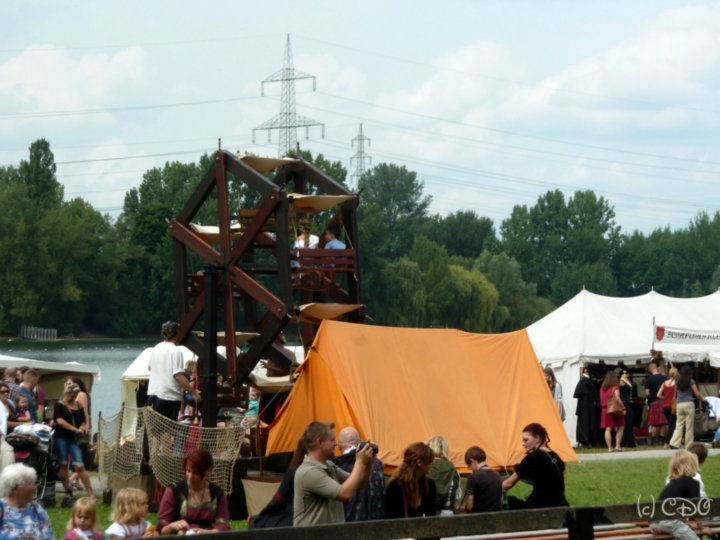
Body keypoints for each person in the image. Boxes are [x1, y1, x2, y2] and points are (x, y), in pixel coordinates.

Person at [294, 421, 374, 526]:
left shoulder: (329, 465)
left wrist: (369, 463)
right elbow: (345, 494)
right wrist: (359, 462)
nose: (336, 444)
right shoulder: (308, 472)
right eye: (332, 440)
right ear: (319, 443)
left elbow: (358, 484)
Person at [157, 449, 231, 534]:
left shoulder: (218, 494)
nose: (190, 476)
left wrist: (207, 533)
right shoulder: (173, 491)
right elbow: (161, 529)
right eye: (188, 471)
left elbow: (224, 527)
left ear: (209, 470)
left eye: (195, 472)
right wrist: (172, 526)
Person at [502, 423, 569, 509]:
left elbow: (508, 484)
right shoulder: (555, 456)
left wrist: (489, 493)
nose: (523, 443)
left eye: (526, 440)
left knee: (508, 501)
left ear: (537, 438)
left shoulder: (535, 456)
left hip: (540, 507)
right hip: (561, 505)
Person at [651, 451, 712, 540]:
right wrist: (702, 528)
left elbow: (679, 507)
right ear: (692, 465)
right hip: (669, 521)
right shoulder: (693, 483)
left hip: (654, 524)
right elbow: (697, 510)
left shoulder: (672, 483)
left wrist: (686, 522)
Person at [250, 437, 307, 529]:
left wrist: (261, 516)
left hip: (295, 517)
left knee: (257, 523)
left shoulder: (294, 472)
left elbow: (277, 501)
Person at [147, 321, 199, 421]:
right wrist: (193, 393)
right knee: (167, 431)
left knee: (155, 429)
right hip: (169, 397)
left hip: (153, 394)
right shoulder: (175, 351)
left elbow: (150, 367)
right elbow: (178, 376)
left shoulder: (157, 347)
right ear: (177, 333)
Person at [331, 427, 386, 522]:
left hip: (350, 528)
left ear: (339, 446)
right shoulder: (377, 463)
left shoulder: (337, 465)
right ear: (360, 442)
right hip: (378, 527)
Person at [53, 381, 95, 502]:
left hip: (74, 439)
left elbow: (83, 420)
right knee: (64, 463)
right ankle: (68, 491)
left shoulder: (79, 405)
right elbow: (60, 421)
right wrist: (75, 429)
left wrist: (82, 427)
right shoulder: (59, 405)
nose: (74, 397)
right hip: (61, 437)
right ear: (67, 393)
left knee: (79, 465)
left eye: (76, 394)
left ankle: (90, 493)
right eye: (72, 395)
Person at [0, 463, 54, 539]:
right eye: (31, 484)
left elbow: (49, 537)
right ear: (16, 489)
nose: (35, 487)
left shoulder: (37, 509)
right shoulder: (1, 508)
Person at [384, 442, 436, 519]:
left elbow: (432, 516)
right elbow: (390, 518)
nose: (433, 463)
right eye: (431, 460)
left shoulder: (430, 485)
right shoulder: (396, 487)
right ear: (419, 462)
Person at [669, 365, 707, 449]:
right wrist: (703, 399)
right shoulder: (691, 381)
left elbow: (676, 392)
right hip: (689, 403)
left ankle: (674, 442)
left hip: (679, 404)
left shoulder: (677, 381)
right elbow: (697, 393)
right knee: (689, 426)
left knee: (679, 424)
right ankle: (689, 445)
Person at [460, 446, 502, 514]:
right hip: (496, 518)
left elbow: (469, 507)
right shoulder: (497, 475)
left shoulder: (473, 477)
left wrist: (464, 509)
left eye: (469, 466)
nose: (470, 469)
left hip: (479, 519)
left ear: (472, 461)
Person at [426, 435, 460, 515]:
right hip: (450, 514)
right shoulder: (454, 469)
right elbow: (457, 495)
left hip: (431, 514)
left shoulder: (425, 466)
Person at [600, 371, 625, 452]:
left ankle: (609, 448)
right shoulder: (615, 387)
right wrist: (623, 407)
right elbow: (618, 399)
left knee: (608, 429)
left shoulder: (602, 388)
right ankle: (617, 446)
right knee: (621, 426)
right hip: (614, 409)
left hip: (605, 410)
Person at [645, 362, 668, 446]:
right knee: (663, 423)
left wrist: (649, 398)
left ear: (651, 369)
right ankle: (662, 440)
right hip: (663, 401)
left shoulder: (649, 379)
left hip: (654, 402)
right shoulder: (665, 378)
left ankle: (654, 441)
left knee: (654, 424)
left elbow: (647, 393)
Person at [657, 368, 679, 450]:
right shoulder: (676, 383)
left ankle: (672, 441)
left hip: (665, 407)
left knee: (670, 424)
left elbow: (658, 395)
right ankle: (666, 443)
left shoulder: (664, 383)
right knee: (672, 426)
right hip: (673, 406)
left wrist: (665, 398)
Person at [0, 383, 16, 471]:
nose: (6, 393)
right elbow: (5, 423)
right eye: (2, 392)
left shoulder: (10, 403)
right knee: (7, 456)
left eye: (7, 391)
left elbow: (15, 418)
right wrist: (23, 424)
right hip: (3, 437)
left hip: (12, 436)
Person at [618, 372, 636, 448]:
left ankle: (630, 441)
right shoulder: (621, 381)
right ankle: (624, 441)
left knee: (629, 422)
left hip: (629, 403)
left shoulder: (627, 380)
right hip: (624, 402)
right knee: (624, 422)